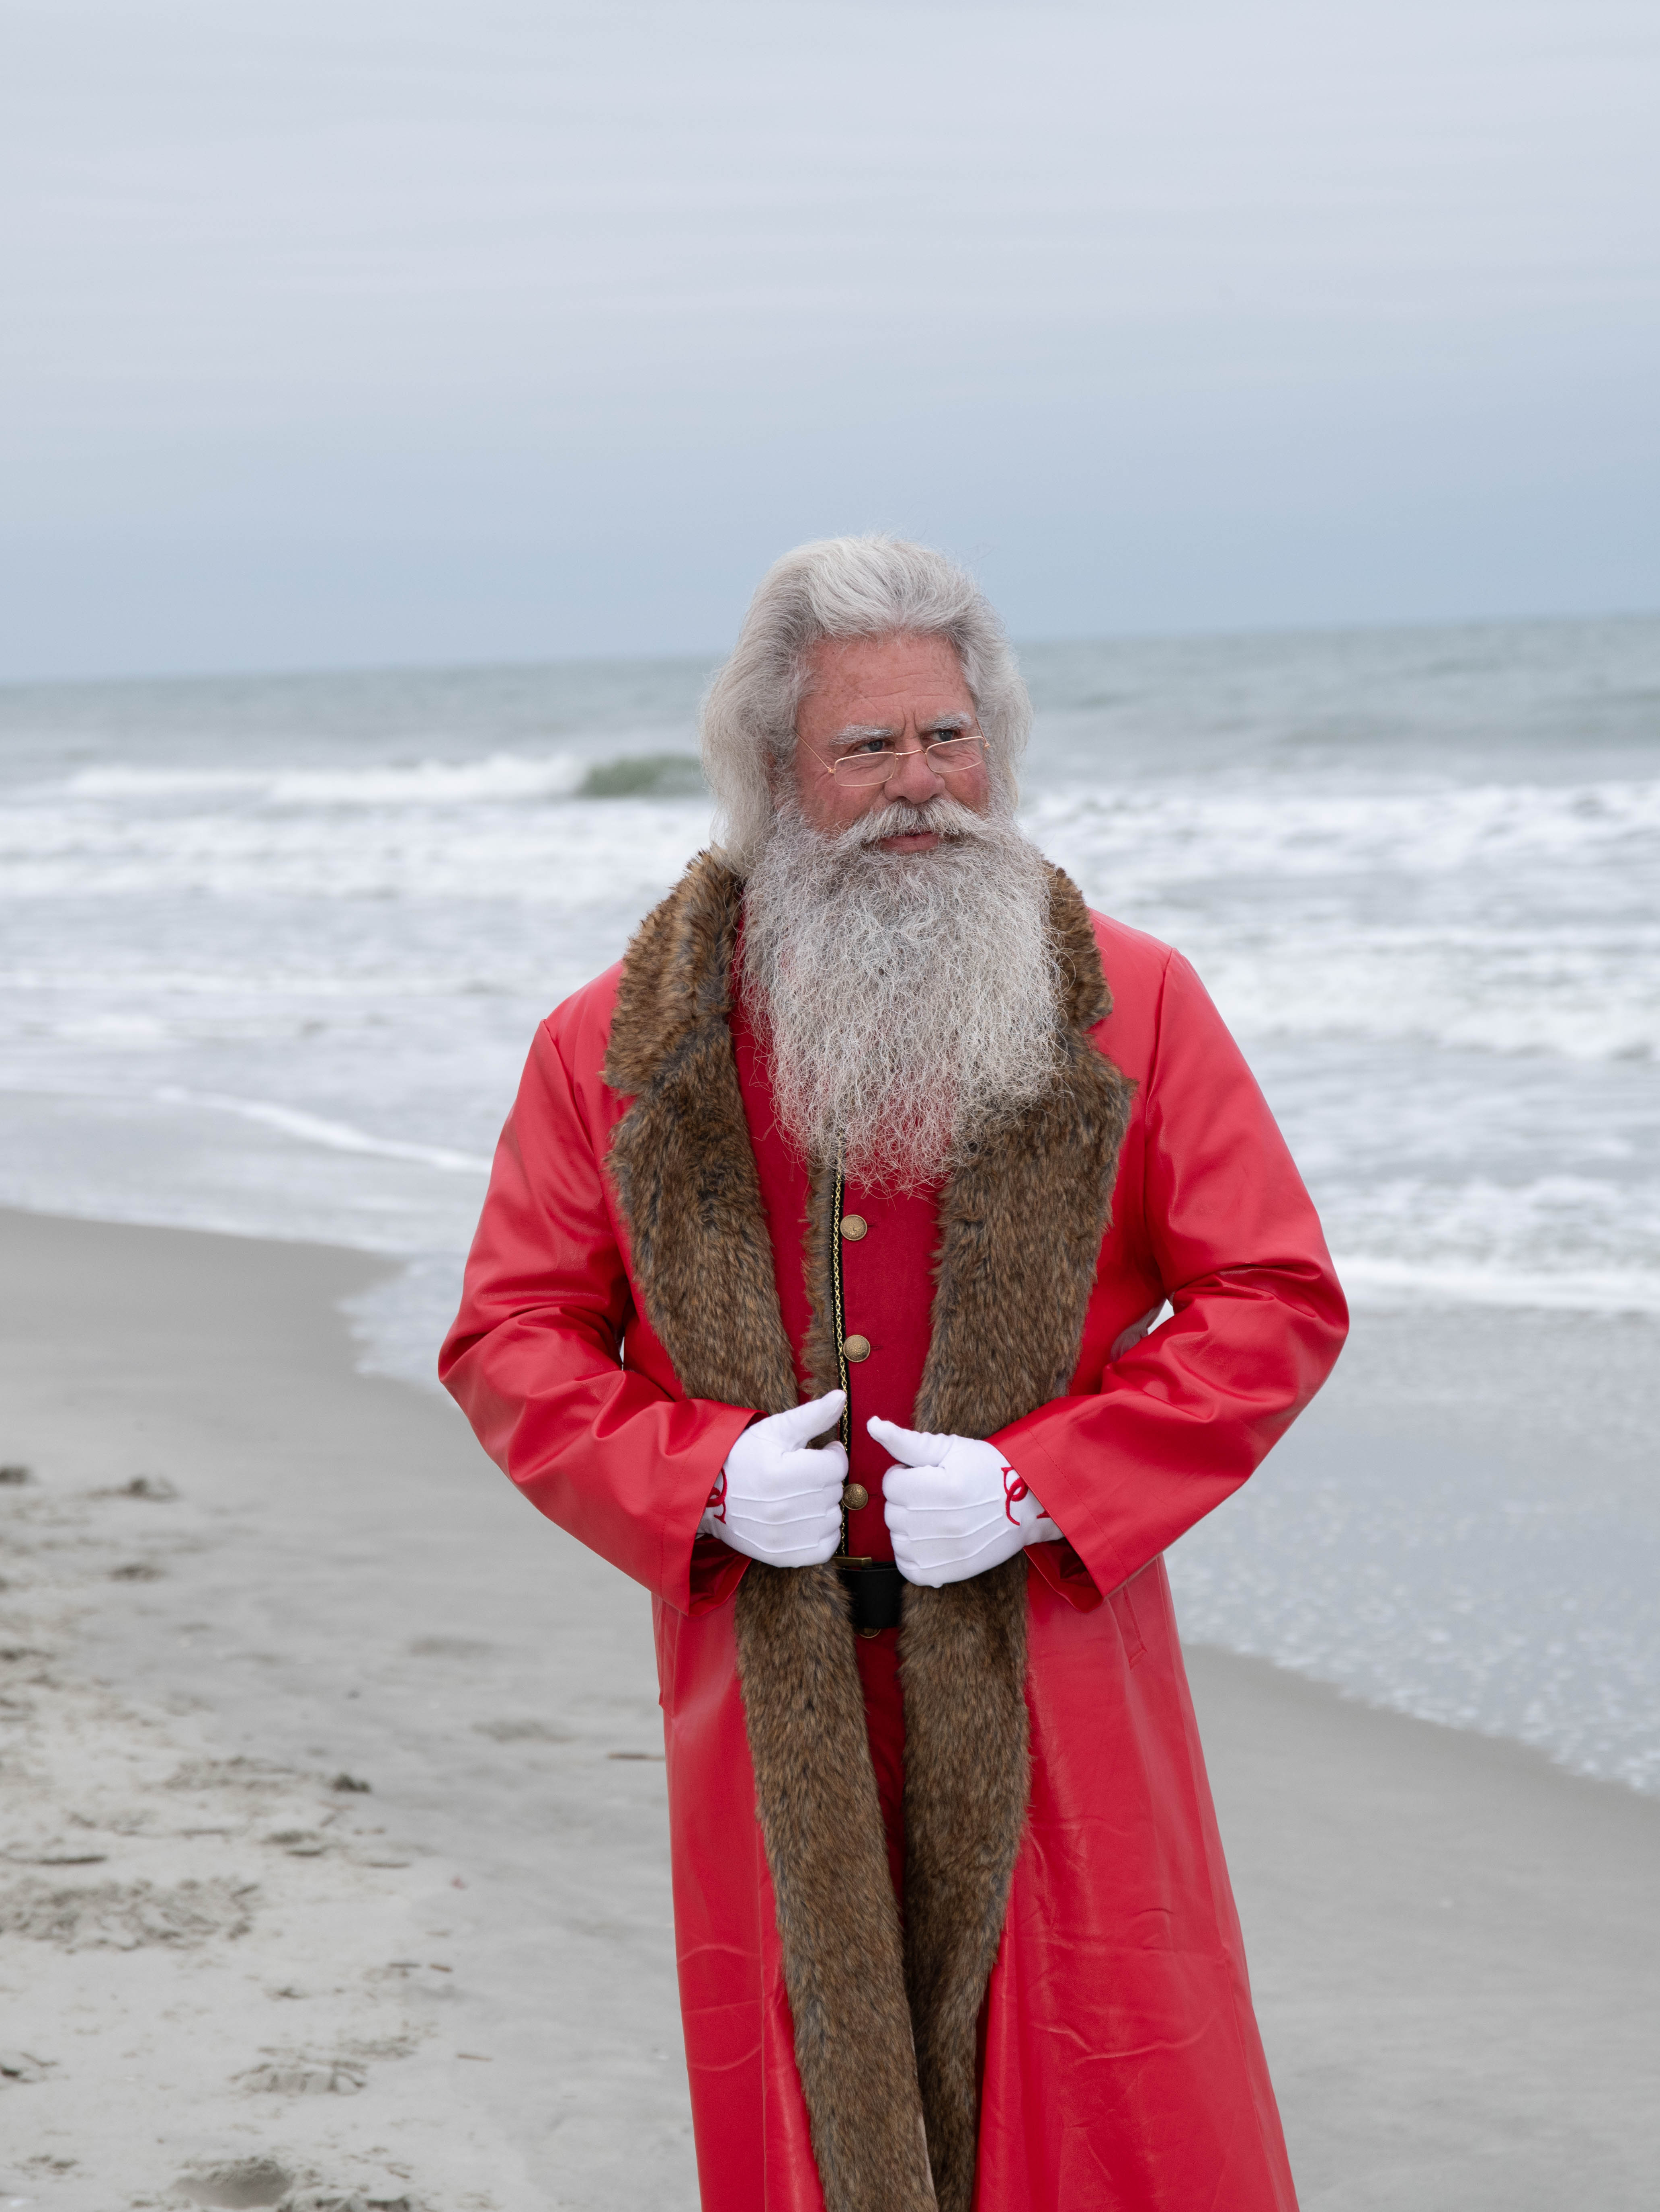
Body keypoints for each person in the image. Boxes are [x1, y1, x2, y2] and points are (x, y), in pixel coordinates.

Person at [439, 535, 1346, 2212]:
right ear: (778, 774)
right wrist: (699, 1476)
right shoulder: (619, 1043)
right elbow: (510, 1333)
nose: (922, 785)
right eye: (870, 748)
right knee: (806, 2106)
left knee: (1110, 2096)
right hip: (765, 1677)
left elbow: (1273, 1294)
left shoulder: (1131, 1003)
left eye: (951, 737)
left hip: (1060, 1658)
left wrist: (1043, 1482)